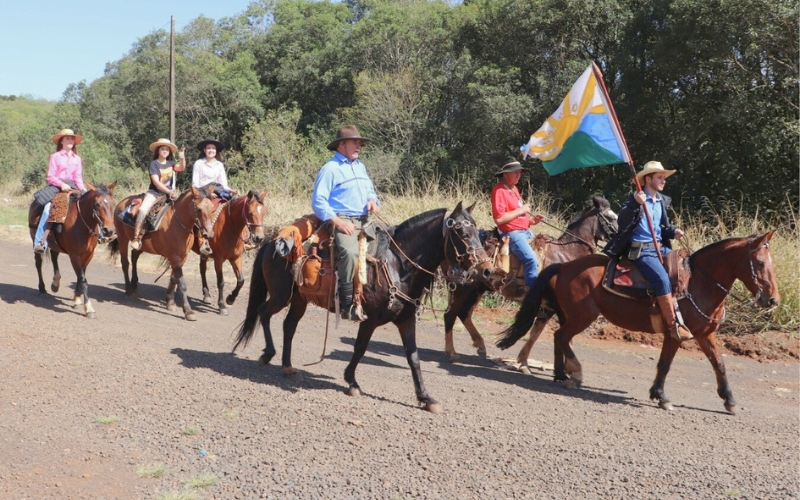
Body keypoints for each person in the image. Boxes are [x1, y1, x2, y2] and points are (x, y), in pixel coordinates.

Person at [603, 160, 692, 341]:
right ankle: (672, 325)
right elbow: (623, 223)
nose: (663, 181)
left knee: (688, 268)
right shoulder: (633, 199)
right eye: (660, 177)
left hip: (662, 247)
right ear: (648, 179)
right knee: (661, 279)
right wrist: (636, 204)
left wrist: (673, 230)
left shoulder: (661, 201)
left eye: (664, 178)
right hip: (641, 250)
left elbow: (662, 228)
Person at [311, 125, 380, 321]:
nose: (359, 145)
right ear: (342, 145)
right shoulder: (330, 169)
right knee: (350, 253)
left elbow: (370, 191)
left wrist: (372, 200)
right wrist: (338, 222)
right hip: (343, 220)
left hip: (365, 220)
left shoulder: (360, 166)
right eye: (355, 142)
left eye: (360, 143)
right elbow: (318, 201)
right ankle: (347, 304)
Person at [490, 157, 542, 295]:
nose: (519, 175)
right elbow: (499, 219)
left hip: (525, 230)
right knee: (531, 259)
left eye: (520, 173)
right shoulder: (499, 190)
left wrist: (531, 221)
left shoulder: (514, 189)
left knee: (544, 253)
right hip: (512, 233)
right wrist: (522, 210)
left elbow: (517, 216)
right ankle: (530, 296)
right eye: (515, 173)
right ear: (506, 174)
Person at [33, 129, 86, 254]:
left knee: (89, 205)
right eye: (67, 138)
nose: (70, 141)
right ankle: (40, 242)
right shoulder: (55, 157)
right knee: (48, 209)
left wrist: (84, 190)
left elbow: (78, 177)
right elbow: (51, 176)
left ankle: (100, 236)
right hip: (57, 187)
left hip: (73, 187)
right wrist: (62, 184)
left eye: (72, 139)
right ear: (61, 141)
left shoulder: (77, 159)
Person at [130, 138, 186, 250]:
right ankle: (137, 237)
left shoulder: (171, 163)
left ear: (169, 152)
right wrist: (168, 191)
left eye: (167, 149)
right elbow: (156, 182)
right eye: (162, 149)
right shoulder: (154, 164)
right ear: (158, 151)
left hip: (169, 195)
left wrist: (182, 158)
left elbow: (181, 168)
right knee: (142, 210)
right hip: (154, 193)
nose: (165, 151)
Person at [191, 139, 238, 255]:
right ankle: (203, 242)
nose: (211, 150)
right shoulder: (199, 163)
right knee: (205, 212)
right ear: (204, 150)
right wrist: (207, 192)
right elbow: (195, 183)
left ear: (216, 151)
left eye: (213, 148)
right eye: (208, 148)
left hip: (218, 190)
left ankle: (242, 240)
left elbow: (223, 183)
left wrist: (231, 190)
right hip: (202, 192)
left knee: (233, 210)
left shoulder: (219, 164)